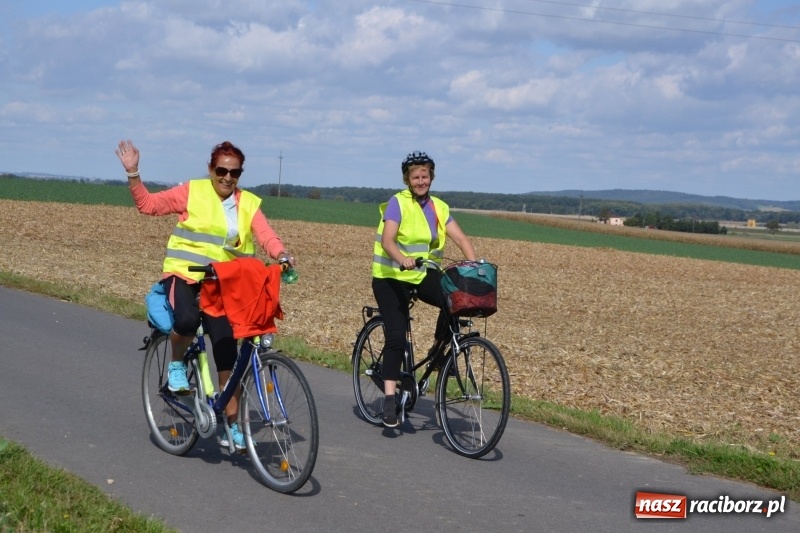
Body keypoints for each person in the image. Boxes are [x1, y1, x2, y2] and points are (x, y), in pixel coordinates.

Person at [115, 139, 295, 450]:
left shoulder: (247, 203)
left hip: (221, 284)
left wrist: (281, 254)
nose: (227, 177)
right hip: (184, 274)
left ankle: (232, 425)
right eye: (221, 170)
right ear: (210, 169)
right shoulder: (193, 191)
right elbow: (149, 205)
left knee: (228, 353)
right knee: (186, 319)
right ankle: (175, 367)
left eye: (234, 172)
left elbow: (266, 234)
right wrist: (133, 172)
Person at [372, 151, 477, 428]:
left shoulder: (439, 207)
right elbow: (387, 240)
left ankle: (442, 349)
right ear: (408, 179)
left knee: (455, 297)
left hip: (419, 275)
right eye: (416, 176)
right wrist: (401, 259)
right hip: (390, 276)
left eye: (425, 176)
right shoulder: (398, 203)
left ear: (431, 177)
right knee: (396, 336)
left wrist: (475, 263)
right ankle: (390, 399)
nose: (421, 181)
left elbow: (461, 237)